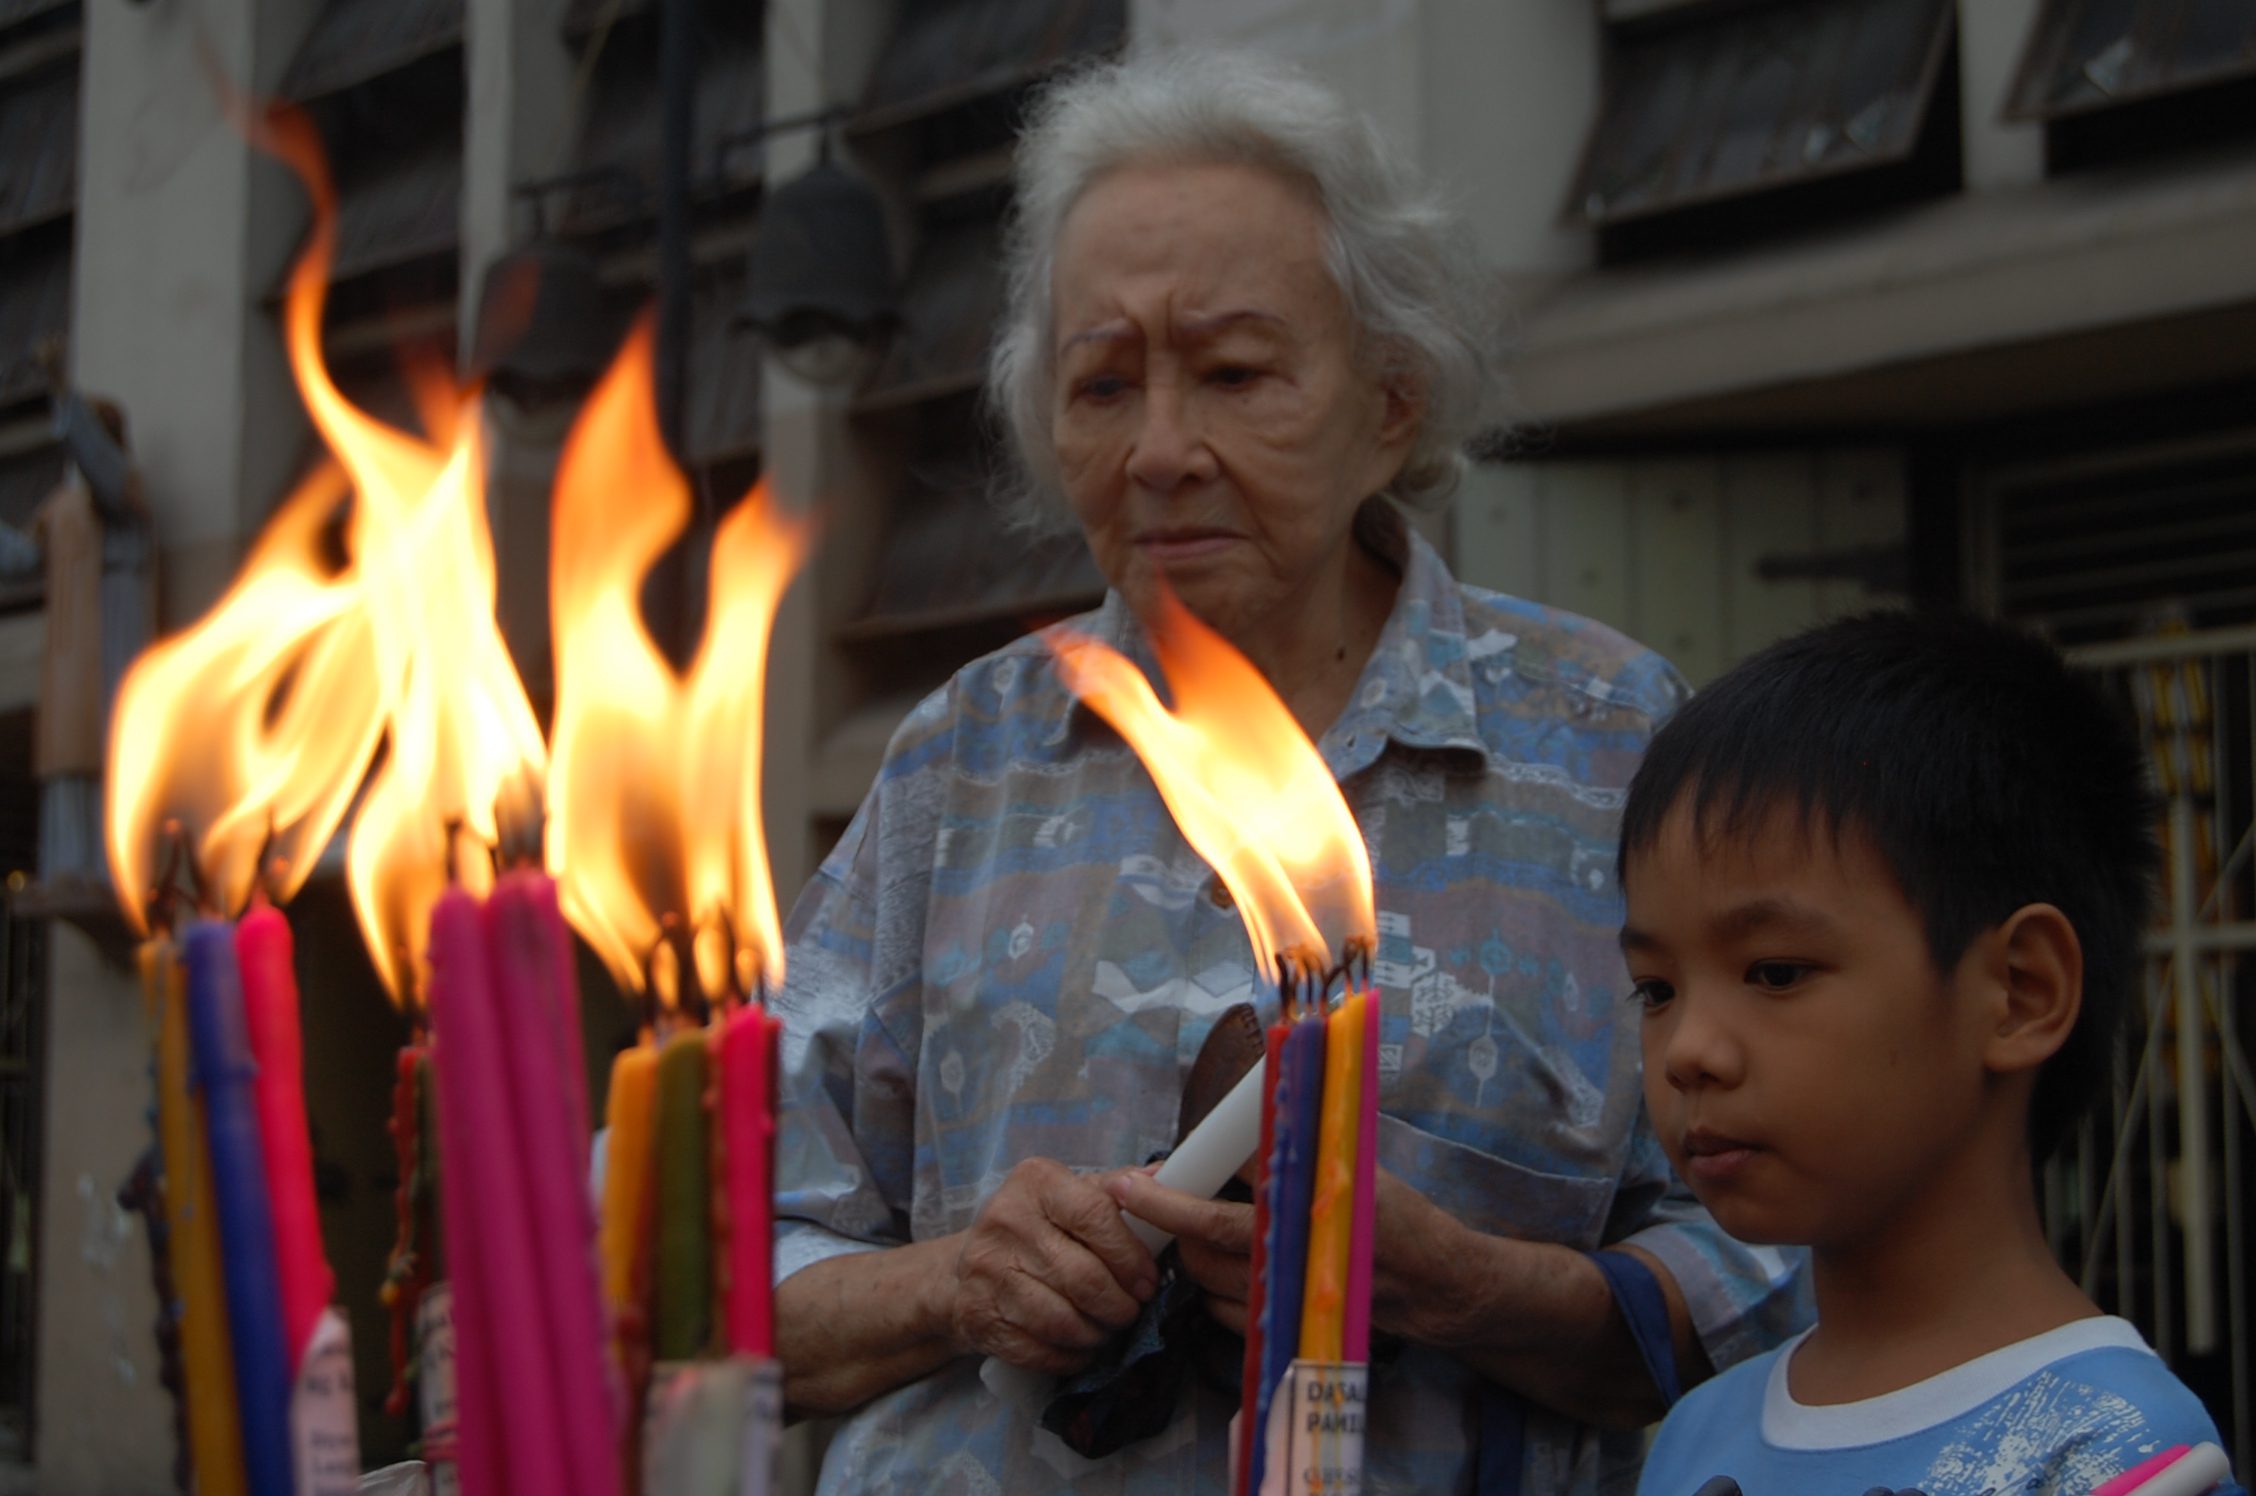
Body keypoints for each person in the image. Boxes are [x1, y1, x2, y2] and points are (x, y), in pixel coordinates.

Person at [771, 49, 1804, 1493]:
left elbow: (1785, 1263)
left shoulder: (1611, 743)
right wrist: (955, 1282)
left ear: (1392, 403)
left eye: (1236, 372)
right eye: (1103, 384)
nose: (1160, 450)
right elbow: (717, 1274)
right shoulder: (962, 765)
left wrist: (1462, 1289)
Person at [1621, 613, 2244, 1496]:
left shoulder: (2120, 1456)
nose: (1688, 1051)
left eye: (1776, 971)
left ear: (2021, 993)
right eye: (1655, 990)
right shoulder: (1696, 1437)